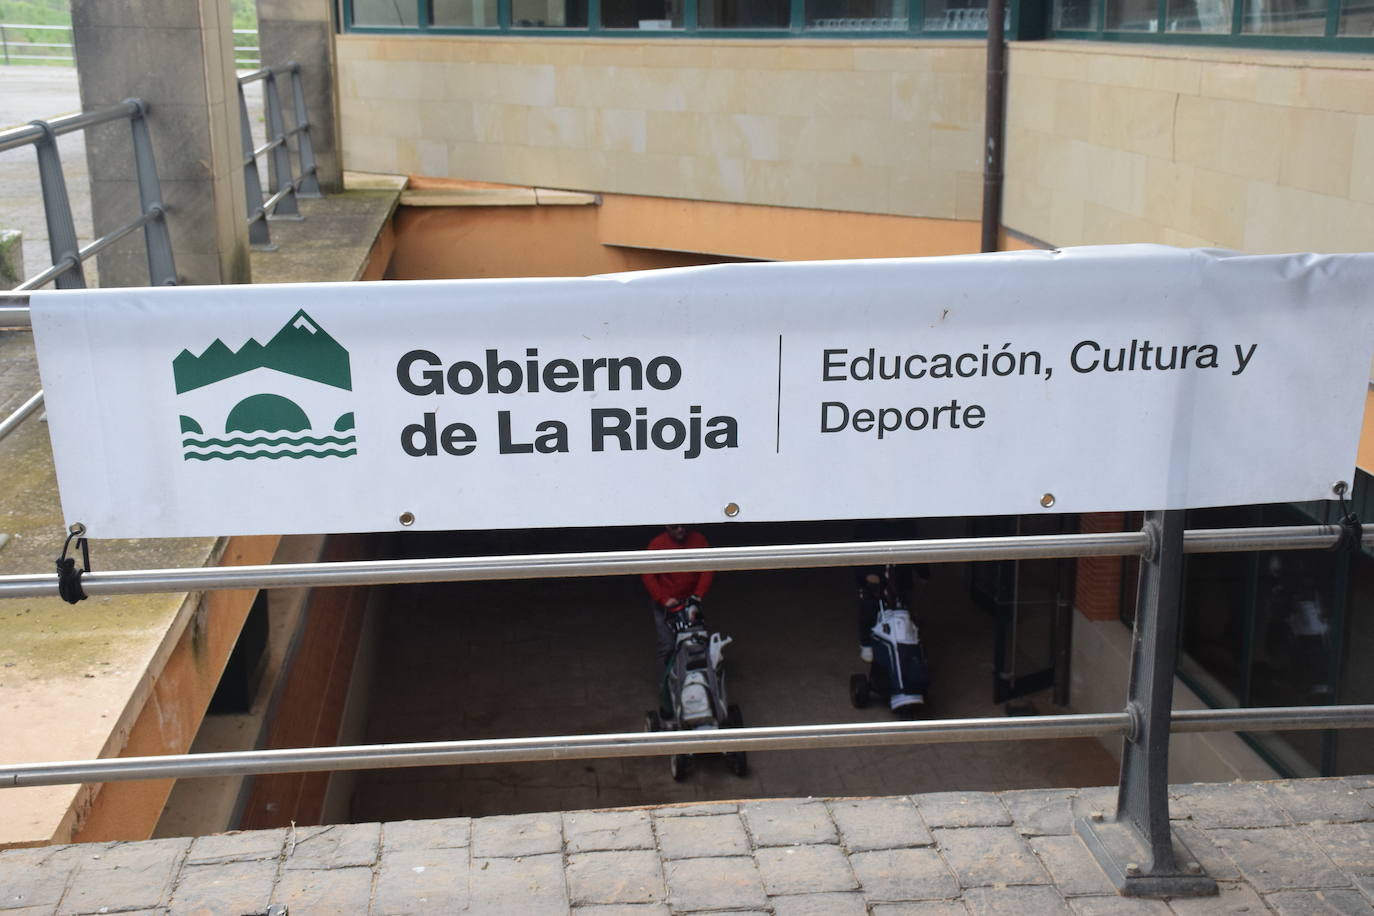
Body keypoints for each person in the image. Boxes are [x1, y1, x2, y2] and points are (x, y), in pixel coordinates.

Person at [641, 524, 715, 669]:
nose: (680, 530)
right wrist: (664, 599)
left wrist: (698, 595)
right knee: (667, 645)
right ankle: (666, 686)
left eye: (683, 526)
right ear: (667, 527)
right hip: (666, 604)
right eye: (675, 527)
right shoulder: (657, 544)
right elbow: (648, 574)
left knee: (697, 642)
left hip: (691, 601)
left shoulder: (699, 541)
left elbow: (707, 568)